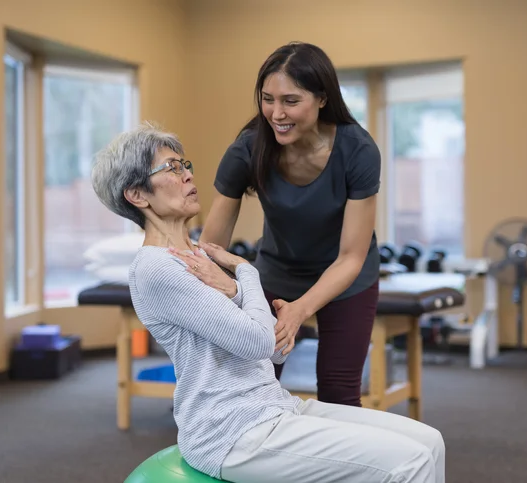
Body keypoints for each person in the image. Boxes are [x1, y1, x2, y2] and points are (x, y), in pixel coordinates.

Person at [90, 121, 446, 483]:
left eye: (185, 165)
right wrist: (247, 273)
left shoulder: (201, 257)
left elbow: (275, 350)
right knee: (410, 461)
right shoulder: (157, 267)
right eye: (171, 167)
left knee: (430, 441)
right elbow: (259, 341)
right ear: (137, 195)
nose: (186, 175)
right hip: (231, 431)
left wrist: (239, 292)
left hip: (275, 408)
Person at [200, 41, 381, 407]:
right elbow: (211, 246)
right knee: (252, 388)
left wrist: (300, 309)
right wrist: (209, 292)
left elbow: (350, 257)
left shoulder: (357, 151)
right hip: (275, 275)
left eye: (291, 101)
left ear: (322, 98)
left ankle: (340, 464)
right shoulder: (248, 149)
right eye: (268, 99)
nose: (276, 113)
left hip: (346, 280)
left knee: (338, 393)